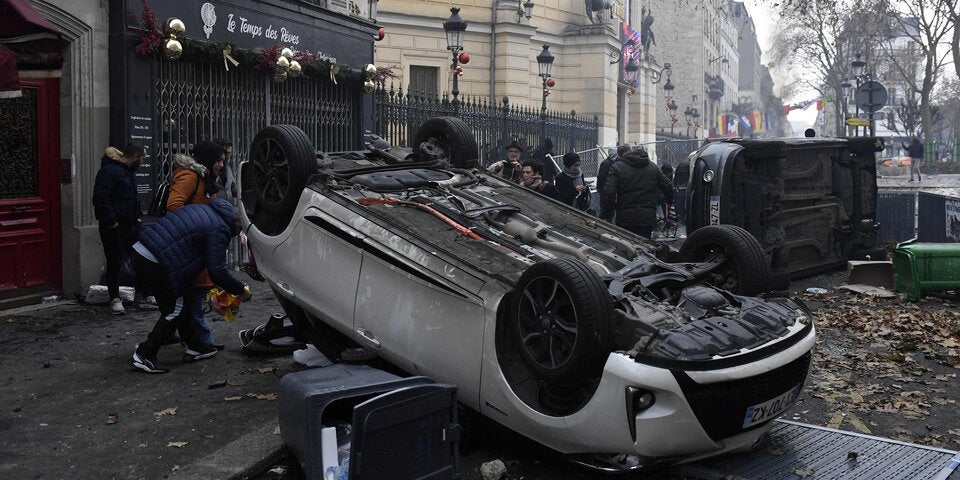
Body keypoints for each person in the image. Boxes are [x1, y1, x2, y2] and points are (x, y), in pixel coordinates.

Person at [130, 199, 252, 374]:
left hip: (144, 253)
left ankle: (195, 346)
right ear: (237, 223)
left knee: (182, 304)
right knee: (175, 309)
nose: (237, 234)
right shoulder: (220, 229)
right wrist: (240, 290)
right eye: (240, 229)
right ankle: (145, 353)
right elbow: (217, 270)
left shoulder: (205, 210)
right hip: (156, 261)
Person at [166, 140, 227, 350]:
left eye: (223, 160)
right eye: (218, 160)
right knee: (193, 296)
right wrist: (198, 225)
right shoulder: (190, 176)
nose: (221, 164)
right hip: (190, 246)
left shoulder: (205, 178)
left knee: (194, 295)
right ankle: (200, 341)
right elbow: (174, 206)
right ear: (208, 159)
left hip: (198, 245)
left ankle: (185, 337)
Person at [92, 142, 153, 315]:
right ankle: (115, 298)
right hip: (115, 227)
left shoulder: (128, 172)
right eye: (142, 158)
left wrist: (137, 217)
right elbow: (101, 198)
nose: (142, 162)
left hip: (131, 225)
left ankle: (145, 293)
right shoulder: (109, 171)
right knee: (115, 263)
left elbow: (130, 198)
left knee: (141, 258)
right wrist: (112, 222)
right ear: (135, 156)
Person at [600, 147, 673, 239]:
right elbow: (668, 186)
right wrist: (668, 202)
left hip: (625, 217)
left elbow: (609, 192)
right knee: (644, 247)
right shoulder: (652, 167)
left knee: (627, 247)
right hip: (647, 216)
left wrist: (606, 215)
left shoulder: (617, 167)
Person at [597, 144, 631, 220]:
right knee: (607, 211)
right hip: (607, 192)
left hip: (611, 192)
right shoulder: (607, 164)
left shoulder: (614, 163)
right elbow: (602, 179)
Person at [214, 138, 236, 203]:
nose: (229, 151)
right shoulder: (212, 168)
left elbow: (232, 187)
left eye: (230, 147)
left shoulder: (227, 167)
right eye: (226, 147)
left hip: (227, 207)